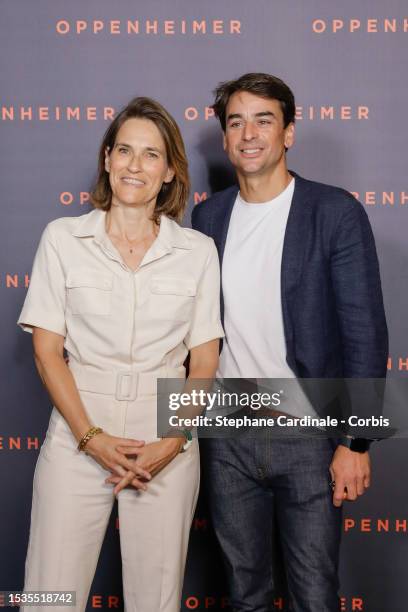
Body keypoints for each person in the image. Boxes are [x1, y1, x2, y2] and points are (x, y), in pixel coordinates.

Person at [18, 96, 224, 612]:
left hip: (165, 432)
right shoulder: (63, 238)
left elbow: (203, 359)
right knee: (49, 593)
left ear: (171, 170)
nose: (135, 165)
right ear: (107, 159)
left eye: (151, 154)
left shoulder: (197, 251)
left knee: (157, 600)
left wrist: (173, 440)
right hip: (78, 424)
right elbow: (47, 352)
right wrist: (91, 438)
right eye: (125, 151)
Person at [192, 73, 388, 612]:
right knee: (245, 592)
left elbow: (365, 333)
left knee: (314, 594)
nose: (248, 133)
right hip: (228, 433)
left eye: (263, 119)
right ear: (226, 137)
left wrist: (357, 442)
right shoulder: (208, 218)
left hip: (310, 435)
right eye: (235, 122)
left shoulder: (334, 211)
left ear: (288, 133)